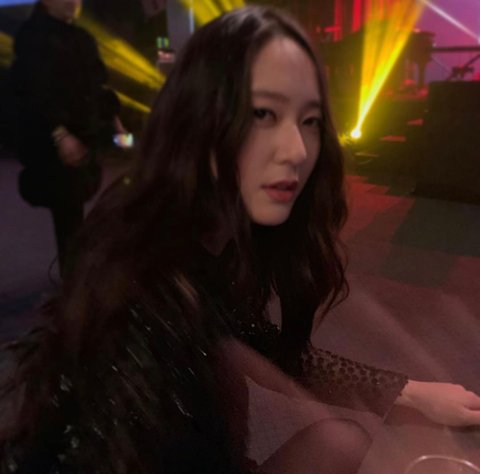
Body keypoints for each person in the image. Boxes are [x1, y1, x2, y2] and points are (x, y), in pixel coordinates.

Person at [1, 5, 480, 473]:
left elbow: (261, 343)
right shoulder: (139, 278)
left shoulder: (218, 229)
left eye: (309, 120)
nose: (296, 150)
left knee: (342, 439)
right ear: (201, 117)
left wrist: (406, 392)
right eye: (263, 114)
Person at [7, 0, 121, 275]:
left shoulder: (81, 38)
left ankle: (76, 277)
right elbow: (34, 91)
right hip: (53, 143)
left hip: (84, 134)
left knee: (76, 207)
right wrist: (60, 134)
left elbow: (97, 85)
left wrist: (115, 121)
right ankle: (73, 281)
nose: (73, 3)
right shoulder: (33, 37)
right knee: (68, 211)